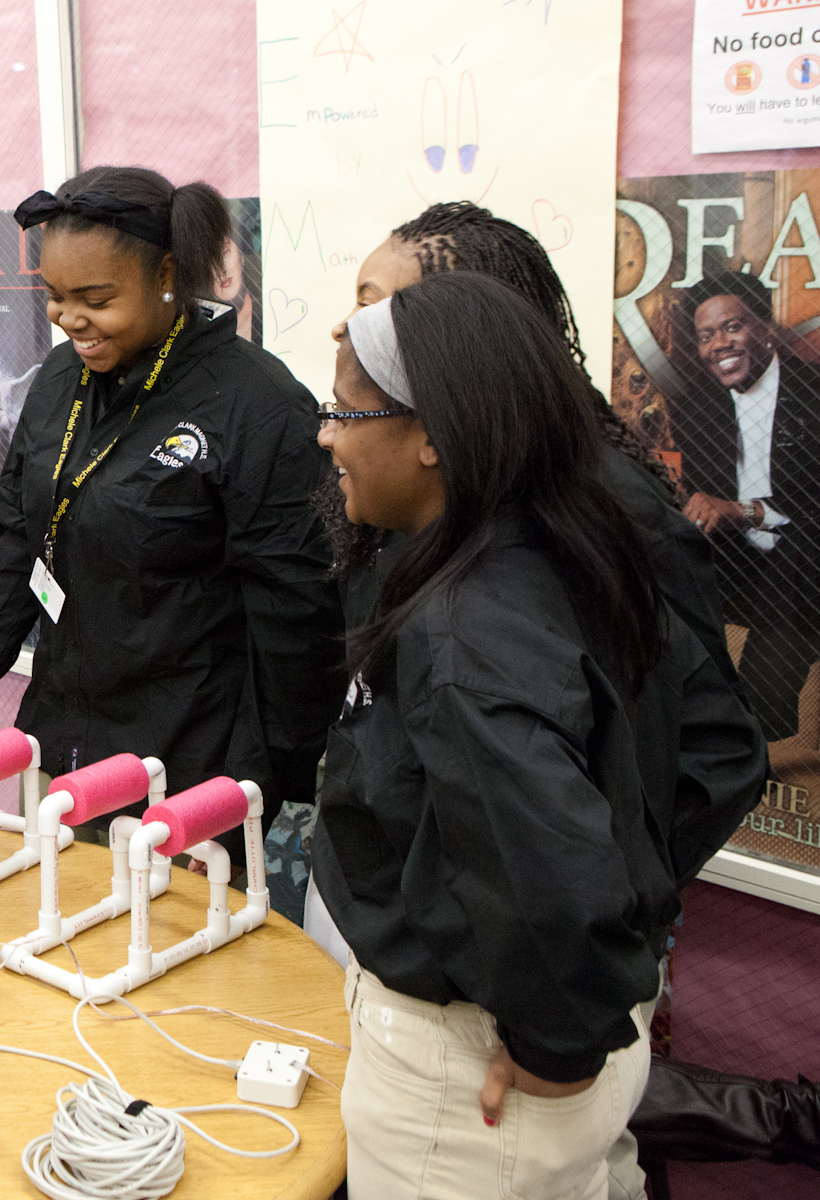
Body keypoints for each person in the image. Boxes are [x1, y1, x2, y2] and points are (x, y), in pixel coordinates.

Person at [312, 274, 765, 1199]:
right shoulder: (566, 545)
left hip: (475, 1082)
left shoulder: (462, 634)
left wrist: (557, 1043)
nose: (325, 436)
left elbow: (550, 860)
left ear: (435, 434)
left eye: (345, 413)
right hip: (570, 1044)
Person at [0, 166, 344, 842]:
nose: (70, 322)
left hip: (181, 785)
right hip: (63, 756)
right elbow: (18, 550)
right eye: (56, 297)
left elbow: (297, 632)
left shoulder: (258, 407)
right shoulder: (61, 379)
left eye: (94, 297)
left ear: (168, 274)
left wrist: (240, 800)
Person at [316, 201, 732, 686]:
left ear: (466, 320)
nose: (343, 325)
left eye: (372, 306)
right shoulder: (394, 479)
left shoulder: (611, 506)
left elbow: (710, 733)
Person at [679, 270, 820, 741]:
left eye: (732, 327)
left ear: (765, 327)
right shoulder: (695, 406)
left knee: (800, 543)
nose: (719, 344)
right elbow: (703, 498)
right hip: (740, 566)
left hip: (807, 563)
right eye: (705, 335)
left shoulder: (814, 389)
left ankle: (760, 718)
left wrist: (745, 511)